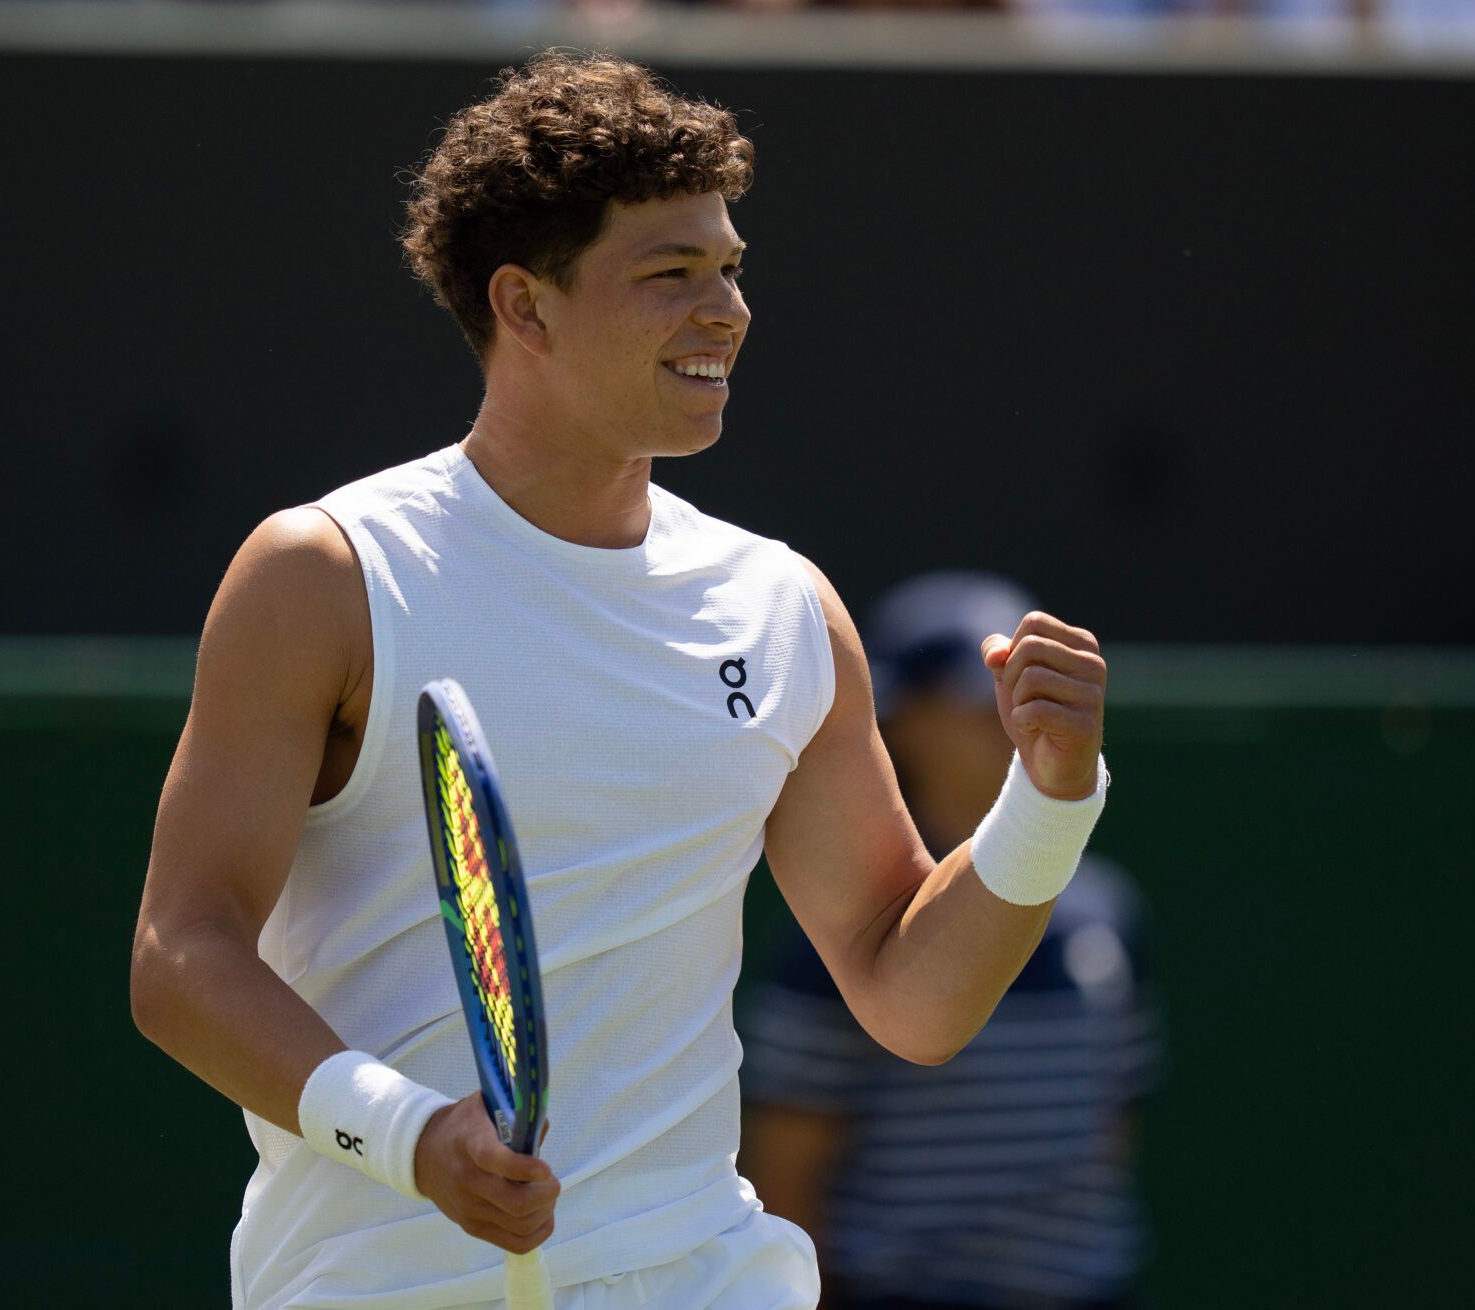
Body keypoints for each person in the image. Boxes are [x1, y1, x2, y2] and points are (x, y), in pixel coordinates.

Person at [129, 52, 1111, 1309]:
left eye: (732, 269)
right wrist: (413, 1136)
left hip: (706, 1274)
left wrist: (1050, 802)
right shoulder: (326, 574)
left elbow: (910, 992)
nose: (729, 312)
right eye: (671, 275)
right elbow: (180, 953)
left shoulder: (782, 603)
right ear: (524, 307)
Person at [741, 572, 1161, 1310]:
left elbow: (1113, 1127)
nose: (1011, 719)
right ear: (905, 721)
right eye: (980, 697)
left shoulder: (1110, 913)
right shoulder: (841, 931)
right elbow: (788, 1165)